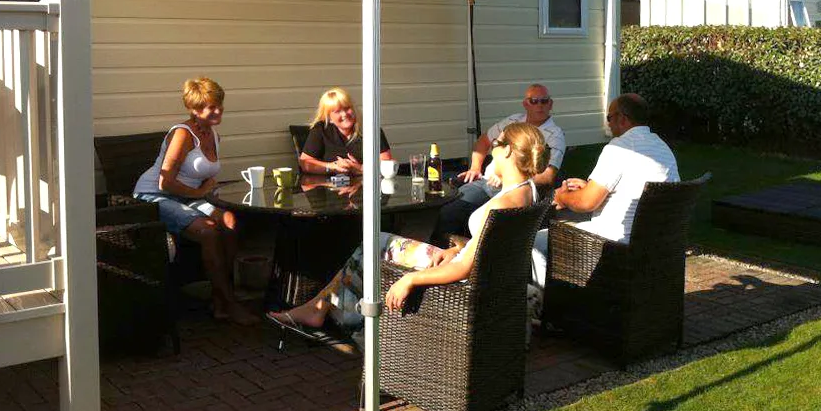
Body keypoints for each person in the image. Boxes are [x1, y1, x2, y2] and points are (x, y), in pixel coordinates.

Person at [268, 122, 550, 339]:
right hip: (487, 277)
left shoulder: (498, 205)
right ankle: (329, 310)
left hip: (466, 284)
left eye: (496, 144)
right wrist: (456, 248)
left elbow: (465, 270)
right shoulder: (529, 192)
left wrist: (412, 281)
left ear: (509, 151)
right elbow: (489, 247)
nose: (491, 149)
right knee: (376, 245)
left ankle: (330, 313)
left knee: (373, 247)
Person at [133, 77, 255, 325]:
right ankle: (229, 302)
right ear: (195, 109)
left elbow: (203, 179)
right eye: (211, 106)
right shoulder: (183, 134)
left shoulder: (214, 135)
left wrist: (209, 196)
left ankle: (219, 298)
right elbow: (164, 183)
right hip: (155, 196)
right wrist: (200, 195)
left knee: (230, 220)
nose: (218, 110)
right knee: (209, 232)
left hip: (187, 197)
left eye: (219, 104)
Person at [530, 93, 679, 287]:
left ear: (622, 119)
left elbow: (586, 203)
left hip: (613, 242)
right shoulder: (662, 147)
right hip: (654, 242)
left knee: (531, 242)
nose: (608, 123)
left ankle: (546, 304)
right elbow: (633, 187)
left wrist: (562, 197)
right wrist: (591, 187)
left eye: (609, 117)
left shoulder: (621, 147)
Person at [430, 83, 566, 246]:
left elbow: (548, 176)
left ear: (551, 104)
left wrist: (509, 178)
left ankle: (450, 251)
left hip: (512, 188)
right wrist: (475, 167)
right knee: (450, 209)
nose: (539, 105)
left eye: (544, 101)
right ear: (525, 104)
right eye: (534, 101)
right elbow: (483, 141)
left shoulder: (554, 135)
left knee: (466, 216)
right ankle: (442, 248)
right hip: (487, 180)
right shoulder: (513, 121)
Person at [298, 87, 393, 175]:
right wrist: (332, 167)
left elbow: (386, 162)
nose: (344, 114)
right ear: (329, 118)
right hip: (329, 188)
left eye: (347, 108)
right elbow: (305, 163)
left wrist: (360, 169)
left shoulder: (371, 129)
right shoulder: (321, 130)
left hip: (365, 188)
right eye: (337, 111)